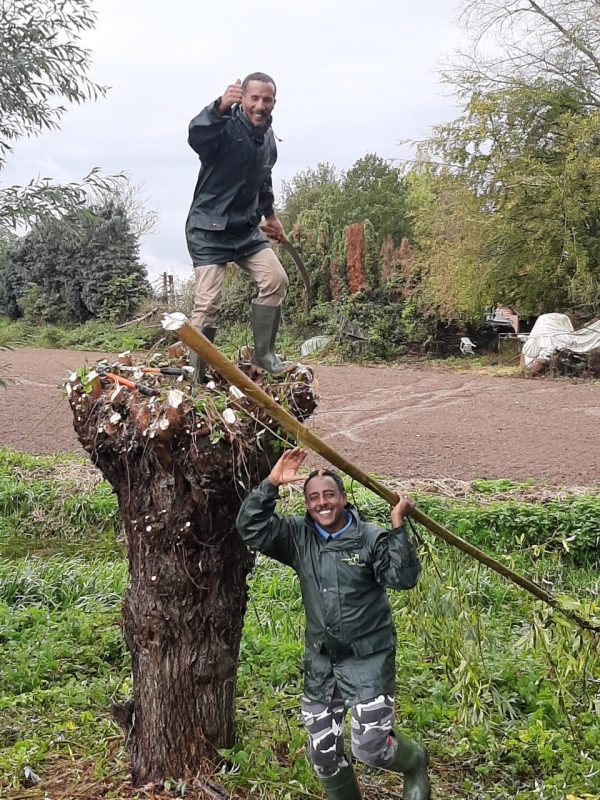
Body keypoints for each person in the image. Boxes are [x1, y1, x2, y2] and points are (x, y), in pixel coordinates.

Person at [236, 447, 431, 800]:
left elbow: (403, 578)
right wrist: (271, 484)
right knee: (323, 754)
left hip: (368, 656)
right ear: (307, 504)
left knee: (371, 747)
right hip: (322, 659)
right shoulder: (298, 537)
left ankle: (415, 762)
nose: (322, 503)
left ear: (343, 498)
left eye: (329, 495)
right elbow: (250, 526)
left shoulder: (370, 538)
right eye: (313, 498)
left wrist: (398, 525)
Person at [185, 72, 292, 381]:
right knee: (208, 303)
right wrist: (218, 107)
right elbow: (197, 135)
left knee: (276, 280)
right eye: (254, 98)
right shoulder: (223, 128)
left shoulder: (269, 139)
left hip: (246, 230)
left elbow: (263, 178)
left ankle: (264, 357)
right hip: (208, 228)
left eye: (266, 99)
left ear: (273, 103)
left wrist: (269, 216)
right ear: (242, 98)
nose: (260, 105)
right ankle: (196, 375)